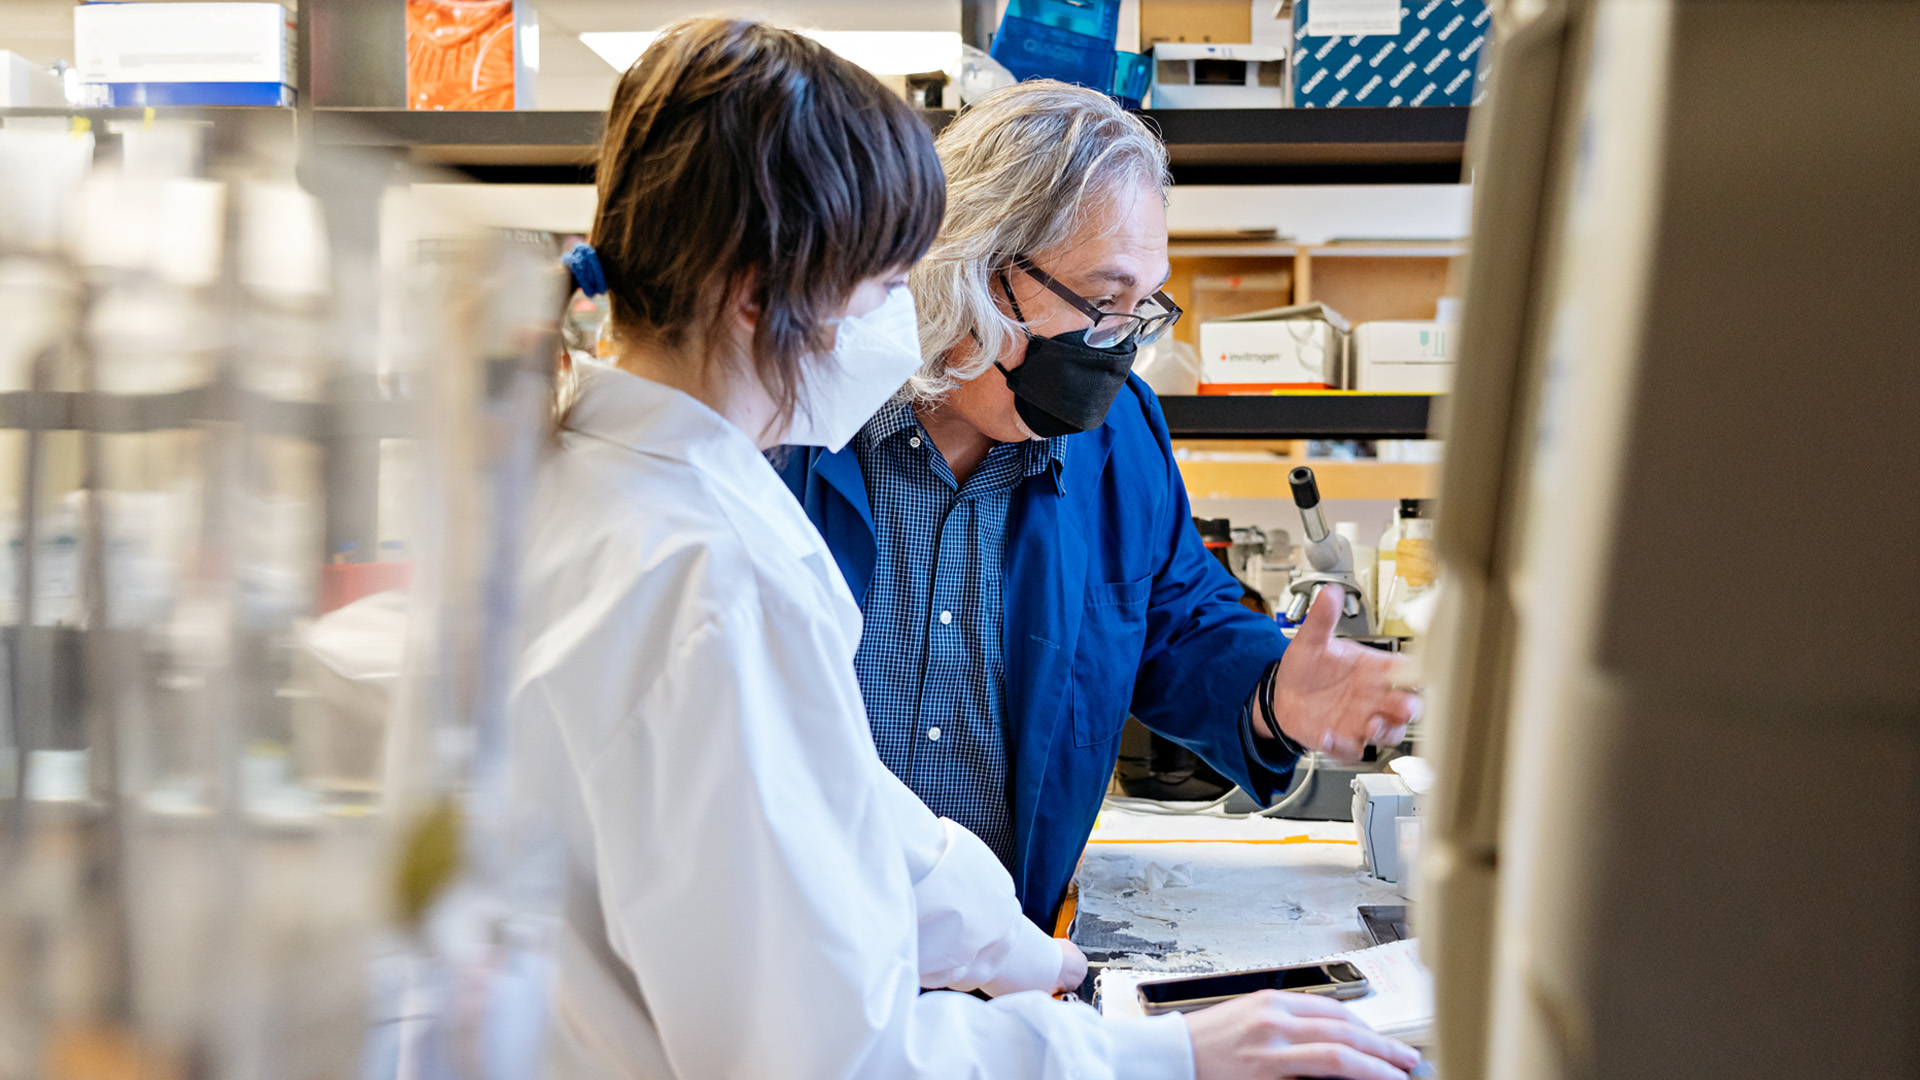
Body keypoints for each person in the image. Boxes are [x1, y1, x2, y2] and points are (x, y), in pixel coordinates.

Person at [512, 18, 1421, 1080]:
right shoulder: (722, 555)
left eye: (1141, 311)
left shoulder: (634, 493)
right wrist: (1154, 1056)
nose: (895, 321)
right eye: (882, 285)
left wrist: (1006, 944)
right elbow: (834, 1055)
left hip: (960, 982)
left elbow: (837, 794)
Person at [779, 81, 1422, 932]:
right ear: (976, 269)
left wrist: (1273, 695)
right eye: (1102, 298)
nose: (1120, 347)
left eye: (1140, 307)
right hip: (789, 947)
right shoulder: (797, 419)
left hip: (1006, 955)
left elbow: (1177, 622)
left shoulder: (1119, 437)